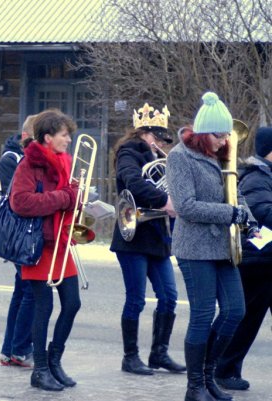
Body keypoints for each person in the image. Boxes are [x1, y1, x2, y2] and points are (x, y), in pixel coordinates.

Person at [167, 92, 259, 401]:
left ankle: (209, 376)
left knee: (235, 310)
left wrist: (247, 216)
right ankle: (195, 387)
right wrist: (230, 214)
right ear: (204, 133)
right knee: (203, 314)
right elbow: (186, 206)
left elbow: (233, 194)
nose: (225, 141)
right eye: (220, 135)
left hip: (222, 246)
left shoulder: (220, 155)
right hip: (194, 247)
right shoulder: (179, 156)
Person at [110, 103, 185, 376]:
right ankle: (130, 357)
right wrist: (165, 199)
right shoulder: (129, 152)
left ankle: (159, 353)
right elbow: (133, 182)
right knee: (136, 300)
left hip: (157, 235)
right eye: (158, 137)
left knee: (169, 297)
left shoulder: (161, 157)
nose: (161, 144)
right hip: (134, 235)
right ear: (145, 134)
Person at [9, 109, 82, 392]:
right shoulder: (29, 165)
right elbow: (21, 203)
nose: (68, 140)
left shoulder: (66, 160)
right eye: (64, 135)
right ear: (48, 137)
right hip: (39, 244)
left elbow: (69, 197)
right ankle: (39, 369)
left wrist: (79, 201)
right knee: (44, 306)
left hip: (61, 241)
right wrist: (64, 197)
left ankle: (54, 361)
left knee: (73, 303)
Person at [215, 126, 272, 391]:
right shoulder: (256, 176)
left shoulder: (266, 174)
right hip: (257, 260)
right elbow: (262, 212)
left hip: (266, 259)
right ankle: (222, 369)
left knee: (247, 318)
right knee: (244, 319)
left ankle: (223, 368)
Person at [0, 114, 37, 368]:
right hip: (18, 235)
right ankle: (20, 348)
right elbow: (14, 200)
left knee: (22, 291)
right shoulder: (12, 161)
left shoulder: (21, 158)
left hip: (23, 235)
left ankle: (10, 349)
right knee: (29, 291)